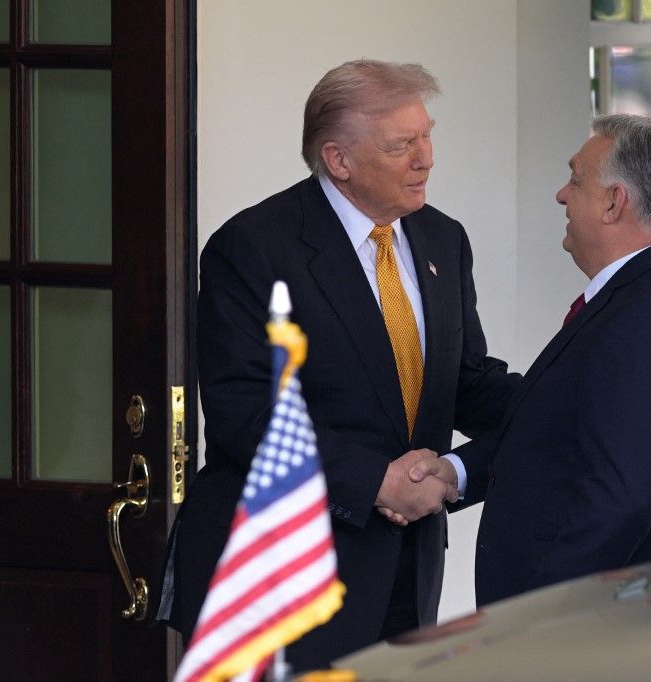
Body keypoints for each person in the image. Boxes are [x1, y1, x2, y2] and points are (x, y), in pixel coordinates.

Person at [159, 59, 519, 669]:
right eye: (402, 145)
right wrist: (373, 480)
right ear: (338, 159)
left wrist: (567, 394)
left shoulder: (442, 239)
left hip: (407, 570)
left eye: (427, 135)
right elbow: (245, 412)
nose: (425, 158)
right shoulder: (253, 247)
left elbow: (464, 384)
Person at [408, 113, 651, 606]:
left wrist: (538, 619)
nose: (561, 195)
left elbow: (619, 502)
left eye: (575, 180)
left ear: (613, 202)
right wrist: (455, 472)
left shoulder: (649, 319)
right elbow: (563, 433)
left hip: (592, 633)